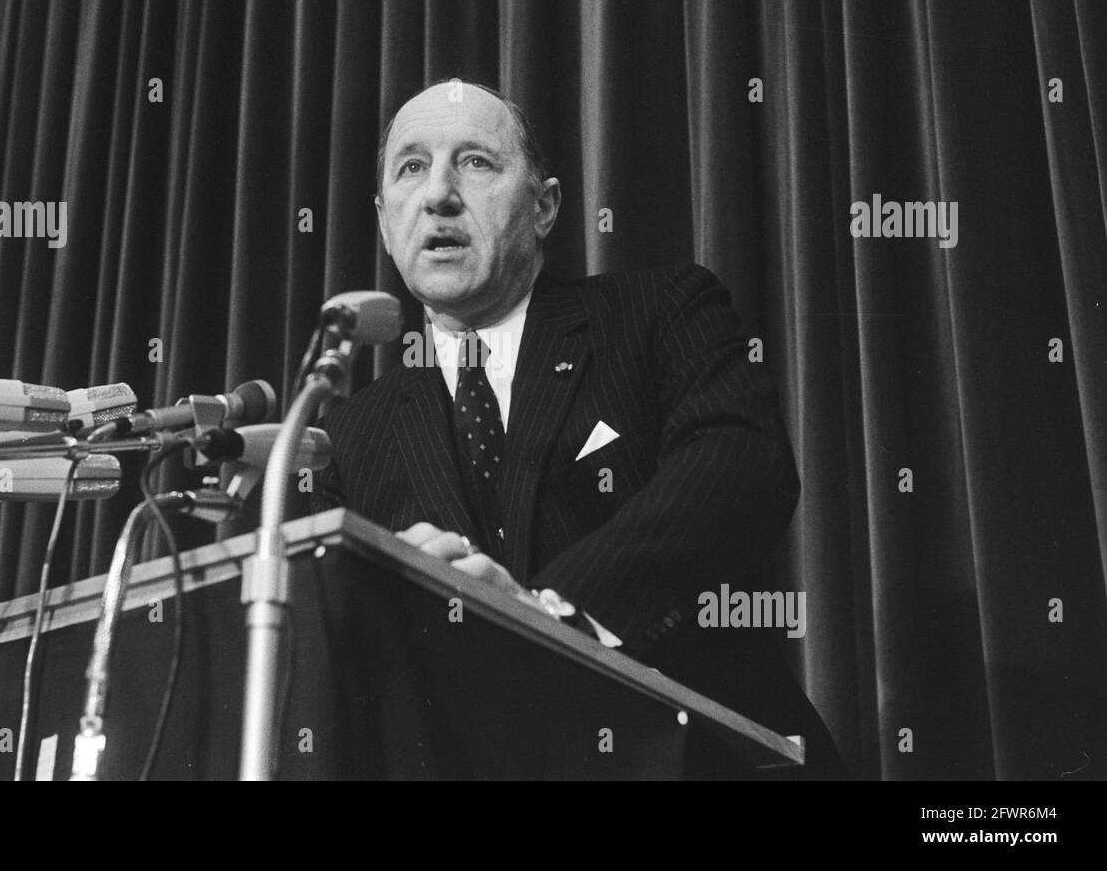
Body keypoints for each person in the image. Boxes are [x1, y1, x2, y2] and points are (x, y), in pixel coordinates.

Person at [312, 78, 844, 779]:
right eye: (411, 168)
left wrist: (545, 616)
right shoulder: (345, 435)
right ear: (385, 221)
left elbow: (739, 464)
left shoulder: (661, 311)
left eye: (475, 162)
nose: (438, 194)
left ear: (544, 206)